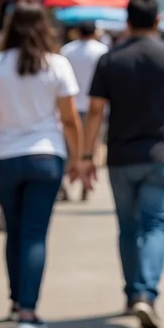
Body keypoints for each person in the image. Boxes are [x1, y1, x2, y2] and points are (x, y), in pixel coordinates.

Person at [83, 0, 164, 328]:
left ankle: (132, 292)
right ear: (156, 20)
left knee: (128, 227)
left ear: (128, 21)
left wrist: (86, 155)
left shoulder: (110, 60)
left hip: (121, 158)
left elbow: (95, 111)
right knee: (155, 225)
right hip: (160, 156)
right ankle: (146, 295)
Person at [0, 4, 84, 328]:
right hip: (46, 157)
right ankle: (28, 310)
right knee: (35, 234)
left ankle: (14, 300)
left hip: (4, 157)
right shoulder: (56, 65)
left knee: (15, 230)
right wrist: (78, 159)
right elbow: (69, 119)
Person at [60, 20, 109, 201]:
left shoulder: (67, 50)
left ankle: (64, 184)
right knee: (91, 145)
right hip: (94, 105)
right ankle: (85, 182)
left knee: (69, 147)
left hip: (70, 104)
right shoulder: (102, 50)